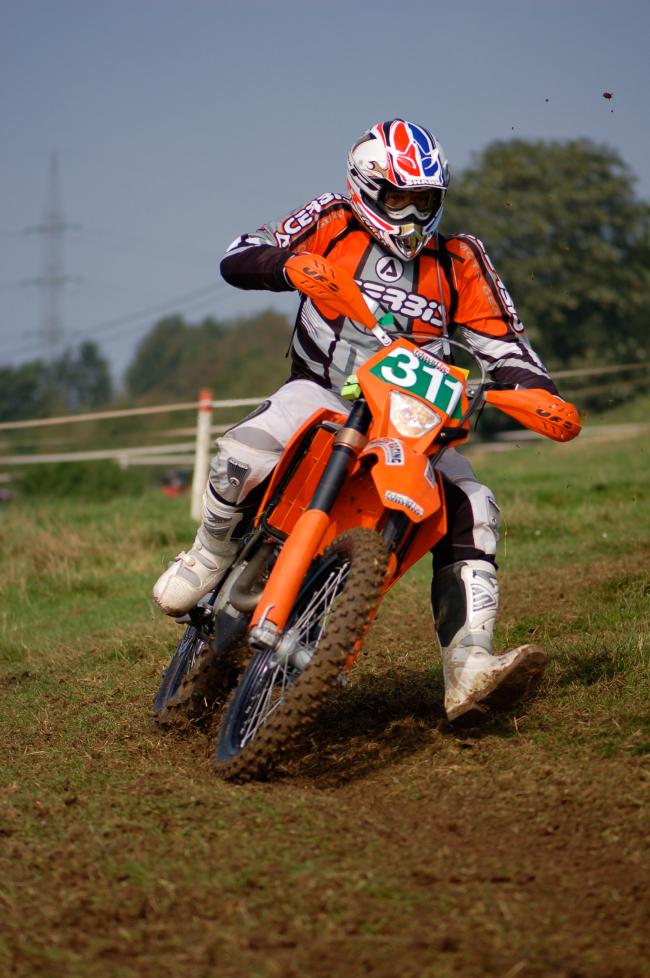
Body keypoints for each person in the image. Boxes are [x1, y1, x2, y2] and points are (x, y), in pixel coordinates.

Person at [153, 119, 565, 722]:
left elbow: (504, 343)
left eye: (424, 200)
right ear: (366, 186)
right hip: (323, 393)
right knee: (247, 448)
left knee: (476, 506)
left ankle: (468, 668)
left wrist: (538, 393)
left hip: (412, 422)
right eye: (398, 197)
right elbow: (239, 253)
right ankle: (209, 553)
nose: (411, 214)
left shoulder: (460, 259)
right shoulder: (331, 218)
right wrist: (287, 267)